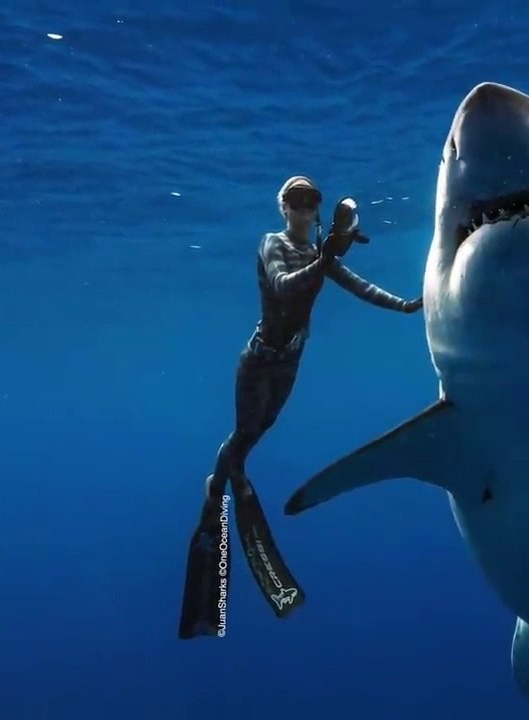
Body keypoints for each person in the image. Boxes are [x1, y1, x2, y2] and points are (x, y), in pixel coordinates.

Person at [178, 175, 422, 639]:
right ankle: (216, 491)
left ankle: (231, 472)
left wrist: (407, 306)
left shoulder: (319, 255)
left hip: (290, 363)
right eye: (297, 201)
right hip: (259, 361)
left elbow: (359, 286)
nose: (305, 209)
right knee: (245, 435)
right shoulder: (273, 244)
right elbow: (284, 286)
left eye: (312, 201)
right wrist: (326, 257)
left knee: (255, 436)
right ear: (283, 207)